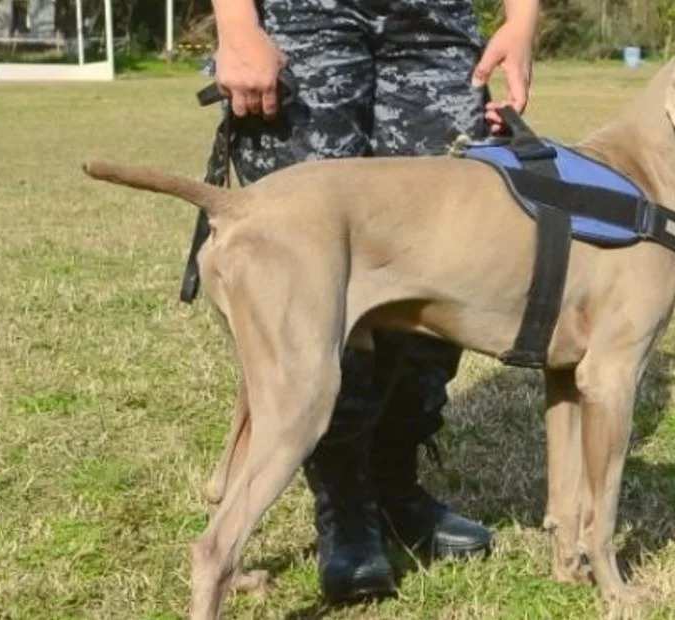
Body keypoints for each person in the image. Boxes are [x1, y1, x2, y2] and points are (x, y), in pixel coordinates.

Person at [205, 0, 539, 603]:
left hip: (435, 28)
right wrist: (236, 24)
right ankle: (345, 506)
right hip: (304, 21)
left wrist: (522, 20)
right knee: (309, 279)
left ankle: (393, 481)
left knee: (446, 259)